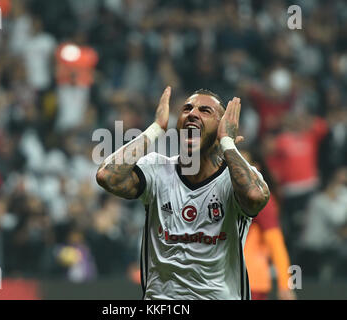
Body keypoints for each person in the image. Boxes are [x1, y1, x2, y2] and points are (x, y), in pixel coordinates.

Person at [96, 87, 270, 300]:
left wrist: (227, 142)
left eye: (205, 111)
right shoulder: (157, 169)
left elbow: (255, 198)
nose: (192, 113)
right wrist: (155, 129)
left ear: (221, 128)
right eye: (187, 109)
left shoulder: (235, 180)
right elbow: (107, 176)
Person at [241, 150, 295, 300]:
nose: (236, 168)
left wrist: (285, 285)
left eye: (243, 163)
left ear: (256, 168)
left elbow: (275, 242)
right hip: (224, 279)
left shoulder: (261, 201)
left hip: (250, 282)